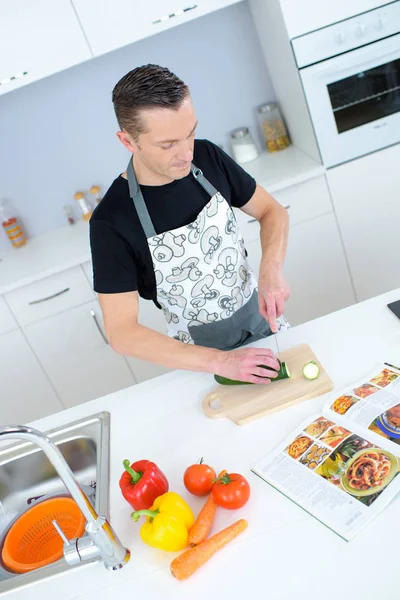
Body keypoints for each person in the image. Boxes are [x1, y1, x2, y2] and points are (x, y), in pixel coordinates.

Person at [89, 64, 291, 384]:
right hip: (203, 365)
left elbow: (272, 211)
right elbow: (122, 333)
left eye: (190, 134)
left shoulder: (209, 157)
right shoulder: (111, 221)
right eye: (168, 145)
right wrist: (221, 362)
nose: (186, 154)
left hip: (267, 327)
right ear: (128, 141)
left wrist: (271, 269)